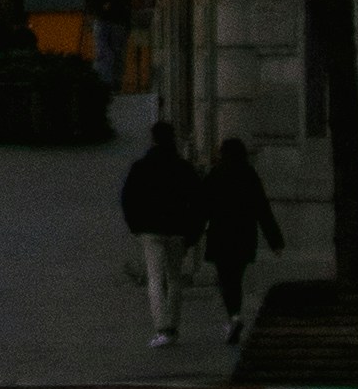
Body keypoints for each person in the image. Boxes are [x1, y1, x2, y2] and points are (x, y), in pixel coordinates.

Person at [121, 114, 212, 349]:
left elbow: (128, 198)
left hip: (150, 229)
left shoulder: (141, 167)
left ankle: (161, 327)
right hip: (177, 230)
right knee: (174, 279)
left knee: (155, 278)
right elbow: (199, 201)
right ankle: (172, 326)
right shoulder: (183, 168)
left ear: (153, 140)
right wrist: (193, 233)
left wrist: (135, 226)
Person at [204, 133, 283, 337]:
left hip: (220, 235)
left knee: (225, 279)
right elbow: (262, 208)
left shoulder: (216, 174)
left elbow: (203, 206)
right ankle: (234, 316)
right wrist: (275, 240)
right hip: (244, 235)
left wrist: (191, 235)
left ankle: (234, 316)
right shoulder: (249, 174)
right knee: (236, 278)